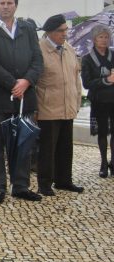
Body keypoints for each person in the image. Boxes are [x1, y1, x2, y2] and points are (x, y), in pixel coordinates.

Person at [0, 0, 44, 204]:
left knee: (24, 143)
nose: (6, 6)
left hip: (25, 97)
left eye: (10, 3)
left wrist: (26, 81)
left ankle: (21, 186)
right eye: (2, 3)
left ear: (16, 5)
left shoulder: (28, 29)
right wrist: (13, 84)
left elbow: (38, 60)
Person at [35, 14, 83, 195]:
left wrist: (76, 101)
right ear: (49, 32)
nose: (65, 33)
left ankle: (64, 180)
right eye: (60, 31)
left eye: (65, 30)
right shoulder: (39, 50)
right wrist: (34, 109)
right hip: (47, 108)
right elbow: (33, 82)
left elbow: (76, 78)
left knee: (65, 147)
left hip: (68, 106)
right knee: (47, 149)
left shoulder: (68, 48)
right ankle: (44, 184)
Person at [81, 25, 114, 178]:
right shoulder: (87, 59)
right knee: (102, 132)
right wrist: (107, 80)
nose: (104, 40)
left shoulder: (113, 55)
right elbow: (87, 83)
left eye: (106, 37)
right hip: (99, 100)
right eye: (101, 37)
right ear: (94, 39)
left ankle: (113, 162)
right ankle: (103, 163)